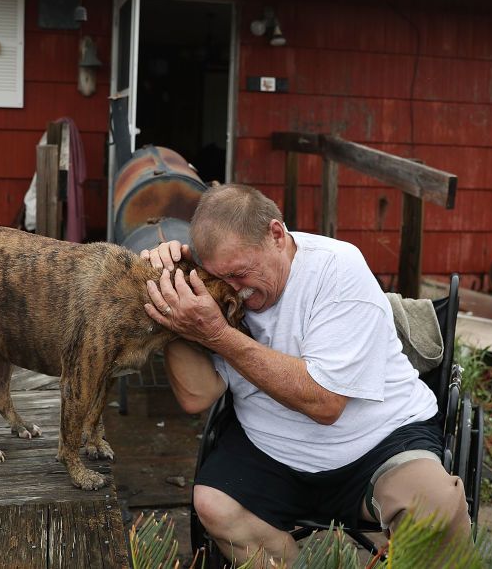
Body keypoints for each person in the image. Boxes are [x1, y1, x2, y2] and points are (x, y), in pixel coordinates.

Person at [141, 183, 470, 563]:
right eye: (221, 279)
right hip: (272, 450)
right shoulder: (217, 283)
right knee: (214, 503)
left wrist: (217, 334)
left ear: (277, 235)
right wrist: (170, 304)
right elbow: (197, 396)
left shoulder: (336, 268)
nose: (233, 292)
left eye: (241, 274)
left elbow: (325, 403)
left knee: (437, 508)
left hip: (377, 442)